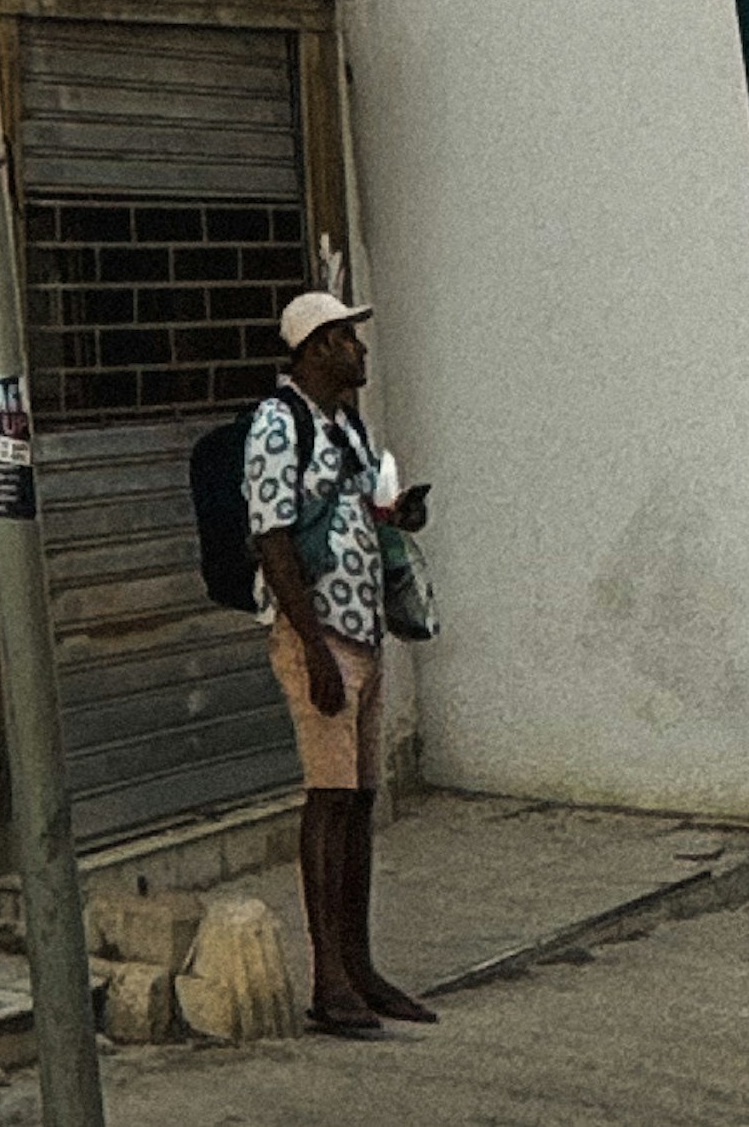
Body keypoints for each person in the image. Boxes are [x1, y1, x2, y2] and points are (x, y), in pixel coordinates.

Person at [244, 285, 433, 1039]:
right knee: (328, 802)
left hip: (362, 633)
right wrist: (315, 647)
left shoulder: (345, 426)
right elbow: (272, 539)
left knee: (356, 803)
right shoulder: (276, 424)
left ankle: (361, 966)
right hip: (318, 639)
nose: (359, 349)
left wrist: (398, 517)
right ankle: (331, 980)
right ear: (319, 346)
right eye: (348, 337)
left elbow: (358, 509)